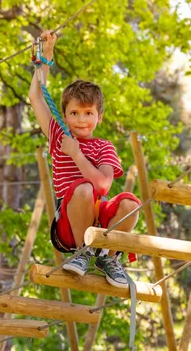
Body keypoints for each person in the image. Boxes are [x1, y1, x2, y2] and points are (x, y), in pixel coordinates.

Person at [28, 30, 141, 288]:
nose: (81, 119)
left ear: (99, 117)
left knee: (130, 202)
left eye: (88, 113)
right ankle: (82, 252)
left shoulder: (104, 147)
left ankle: (108, 257)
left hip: (97, 218)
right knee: (83, 188)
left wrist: (76, 153)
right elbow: (36, 97)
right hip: (70, 224)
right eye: (74, 113)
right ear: (65, 116)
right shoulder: (59, 135)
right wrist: (46, 55)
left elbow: (103, 186)